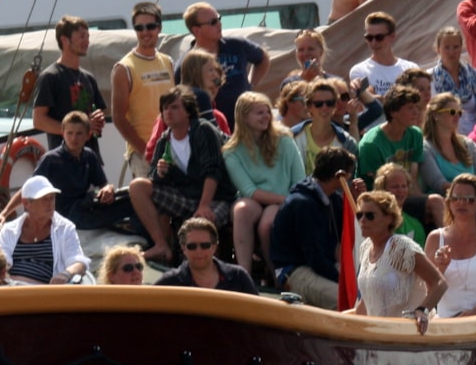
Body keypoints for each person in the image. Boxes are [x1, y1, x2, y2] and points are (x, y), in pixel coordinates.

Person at [128, 87, 235, 264]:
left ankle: (208, 267)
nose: (168, 112)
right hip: (185, 198)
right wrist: (161, 172)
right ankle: (161, 245)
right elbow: (153, 176)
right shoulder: (164, 140)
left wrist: (204, 205)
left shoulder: (203, 130)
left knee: (202, 223)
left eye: (174, 107)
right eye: (165, 108)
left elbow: (213, 170)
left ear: (188, 111)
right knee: (137, 186)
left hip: (216, 198)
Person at [224, 91, 306, 276]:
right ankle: (244, 274)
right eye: (259, 113)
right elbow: (249, 191)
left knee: (267, 225)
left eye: (267, 111)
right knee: (242, 210)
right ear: (244, 117)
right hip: (254, 200)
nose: (266, 116)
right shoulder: (231, 152)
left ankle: (276, 274)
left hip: (284, 198)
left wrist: (287, 200)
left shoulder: (285, 140)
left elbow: (299, 180)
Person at [271, 145, 358, 309]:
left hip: (322, 264)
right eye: (348, 174)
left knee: (364, 292)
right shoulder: (303, 204)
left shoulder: (333, 199)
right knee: (349, 301)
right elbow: (315, 257)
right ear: (338, 175)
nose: (350, 178)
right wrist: (343, 282)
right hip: (296, 270)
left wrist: (355, 198)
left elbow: (350, 231)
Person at [353, 190, 446, 330]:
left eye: (370, 215)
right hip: (380, 333)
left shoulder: (401, 247)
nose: (362, 220)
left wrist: (423, 310)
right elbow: (367, 300)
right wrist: (353, 327)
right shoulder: (365, 247)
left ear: (389, 219)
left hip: (411, 333)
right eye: (360, 215)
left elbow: (440, 283)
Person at [34, 112, 141, 232]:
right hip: (67, 214)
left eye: (79, 133)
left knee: (135, 199)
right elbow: (31, 188)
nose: (74, 138)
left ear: (87, 135)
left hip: (86, 205)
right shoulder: (51, 159)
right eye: (70, 133)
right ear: (63, 134)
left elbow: (102, 184)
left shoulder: (89, 155)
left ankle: (141, 235)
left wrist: (108, 188)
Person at [425, 175, 476, 318]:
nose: (461, 203)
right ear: (449, 204)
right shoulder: (435, 238)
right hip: (446, 322)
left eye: (469, 199)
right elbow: (427, 290)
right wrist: (441, 268)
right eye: (456, 198)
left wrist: (473, 313)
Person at [111, 1, 176, 177]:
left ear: (159, 27)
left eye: (150, 26)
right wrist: (146, 150)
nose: (145, 32)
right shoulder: (124, 68)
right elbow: (118, 117)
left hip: (171, 150)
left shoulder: (168, 62)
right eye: (139, 28)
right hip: (142, 154)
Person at [178, 2, 268, 124]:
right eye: (213, 22)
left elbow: (263, 58)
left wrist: (251, 85)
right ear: (197, 30)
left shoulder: (237, 45)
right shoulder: (186, 64)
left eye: (219, 19)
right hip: (212, 124)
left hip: (245, 123)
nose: (219, 24)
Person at [0, 175, 89, 285]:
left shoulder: (65, 228)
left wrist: (66, 274)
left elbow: (79, 262)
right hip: (10, 289)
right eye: (44, 199)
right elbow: (2, 264)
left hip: (46, 293)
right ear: (26, 203)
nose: (50, 203)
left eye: (52, 197)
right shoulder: (8, 230)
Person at [32, 16, 106, 152]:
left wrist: (98, 119)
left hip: (91, 156)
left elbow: (98, 110)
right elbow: (39, 120)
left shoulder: (88, 78)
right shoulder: (50, 77)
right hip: (63, 158)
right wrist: (76, 130)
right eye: (82, 37)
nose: (87, 42)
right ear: (64, 40)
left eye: (88, 37)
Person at [154, 217, 258, 293]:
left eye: (205, 245)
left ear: (214, 247)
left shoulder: (238, 277)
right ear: (183, 248)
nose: (198, 251)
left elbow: (257, 312)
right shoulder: (170, 282)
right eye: (192, 246)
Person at [431, 26, 476, 134]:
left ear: (461, 48)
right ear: (438, 49)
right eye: (446, 47)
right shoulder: (430, 79)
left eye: (455, 47)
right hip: (446, 137)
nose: (451, 51)